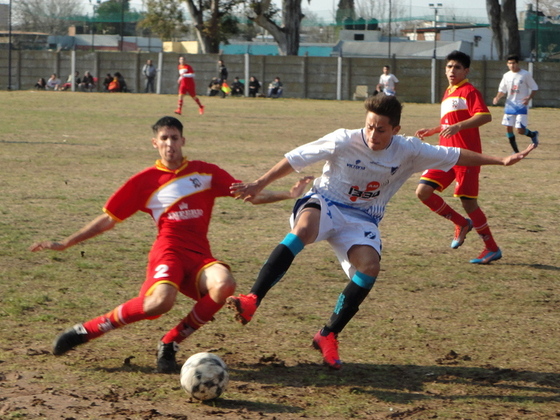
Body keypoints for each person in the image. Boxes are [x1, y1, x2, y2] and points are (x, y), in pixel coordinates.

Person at [226, 94, 535, 370]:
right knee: (303, 229)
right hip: (326, 202)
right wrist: (259, 184)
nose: (373, 134)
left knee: (370, 267)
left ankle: (327, 334)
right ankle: (253, 298)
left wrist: (500, 159)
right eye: (370, 126)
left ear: (396, 130)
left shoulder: (409, 151)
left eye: (381, 129)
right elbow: (295, 158)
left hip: (362, 219)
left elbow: (454, 154)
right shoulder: (344, 139)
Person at [29, 116, 312, 373]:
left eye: (174, 138)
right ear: (155, 143)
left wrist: (288, 195)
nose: (169, 144)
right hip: (168, 251)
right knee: (160, 303)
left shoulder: (205, 173)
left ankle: (171, 342)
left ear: (183, 141)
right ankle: (87, 330)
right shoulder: (144, 182)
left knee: (225, 284)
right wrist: (67, 242)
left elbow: (250, 195)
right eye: (163, 139)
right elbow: (108, 219)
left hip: (200, 255)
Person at [415, 50, 508, 265]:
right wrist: (434, 130)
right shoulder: (448, 92)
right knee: (423, 191)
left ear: (466, 70)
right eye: (449, 67)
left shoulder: (469, 91)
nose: (451, 71)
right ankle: (461, 223)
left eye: (457, 67)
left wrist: (459, 126)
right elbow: (452, 121)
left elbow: (484, 115)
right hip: (445, 154)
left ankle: (491, 248)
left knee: (469, 203)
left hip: (466, 156)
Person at [492, 54, 540, 153]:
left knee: (520, 130)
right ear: (507, 64)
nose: (512, 65)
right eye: (510, 63)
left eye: (513, 63)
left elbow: (535, 87)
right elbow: (502, 90)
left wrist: (528, 98)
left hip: (521, 105)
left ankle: (533, 134)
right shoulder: (506, 75)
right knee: (508, 128)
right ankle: (516, 151)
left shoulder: (525, 74)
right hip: (510, 105)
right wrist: (497, 98)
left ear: (518, 63)